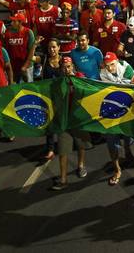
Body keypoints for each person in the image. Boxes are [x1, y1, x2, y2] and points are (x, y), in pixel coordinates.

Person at [50, 56, 89, 190]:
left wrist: (76, 83)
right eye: (64, 67)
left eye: (69, 66)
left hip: (78, 119)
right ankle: (63, 179)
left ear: (72, 66)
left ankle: (81, 165)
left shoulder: (80, 77)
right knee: (62, 150)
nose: (67, 69)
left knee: (81, 145)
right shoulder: (58, 82)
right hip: (64, 121)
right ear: (60, 68)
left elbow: (87, 92)